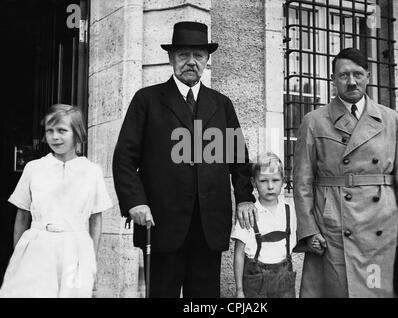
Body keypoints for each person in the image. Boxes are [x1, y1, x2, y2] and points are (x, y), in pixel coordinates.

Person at [112, 21, 256, 298]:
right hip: (161, 222)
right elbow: (124, 159)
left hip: (209, 225)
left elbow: (238, 158)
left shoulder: (221, 104)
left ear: (206, 60)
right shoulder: (147, 100)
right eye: (183, 55)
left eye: (198, 56)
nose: (191, 62)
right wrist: (134, 202)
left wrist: (245, 197)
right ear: (171, 58)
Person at [293, 48, 398, 298]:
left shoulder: (390, 119)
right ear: (332, 79)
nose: (351, 82)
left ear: (368, 75)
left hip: (380, 222)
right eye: (343, 75)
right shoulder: (314, 120)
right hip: (333, 223)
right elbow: (302, 183)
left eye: (357, 74)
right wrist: (308, 230)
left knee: (376, 290)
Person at [0, 104, 112, 298]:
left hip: (76, 248)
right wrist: (18, 256)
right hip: (37, 246)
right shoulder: (34, 168)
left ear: (77, 134)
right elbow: (22, 216)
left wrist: (90, 261)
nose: (54, 137)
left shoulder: (91, 171)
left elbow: (96, 219)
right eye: (49, 131)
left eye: (62, 130)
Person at [232, 152, 297, 298]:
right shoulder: (248, 214)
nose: (270, 186)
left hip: (284, 283)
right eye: (263, 181)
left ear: (284, 182)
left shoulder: (289, 211)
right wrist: (239, 290)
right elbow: (239, 254)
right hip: (255, 284)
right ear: (253, 182)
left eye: (275, 180)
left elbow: (295, 242)